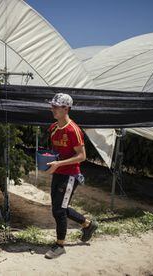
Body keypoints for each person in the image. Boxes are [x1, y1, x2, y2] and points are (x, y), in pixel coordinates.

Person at [44, 93, 98, 259]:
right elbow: (56, 151)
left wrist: (59, 164)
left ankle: (60, 246)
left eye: (56, 106)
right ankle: (88, 225)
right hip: (58, 172)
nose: (52, 109)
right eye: (52, 105)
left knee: (59, 210)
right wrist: (48, 159)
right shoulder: (54, 128)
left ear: (66, 108)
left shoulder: (73, 130)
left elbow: (82, 156)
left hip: (70, 175)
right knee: (60, 207)